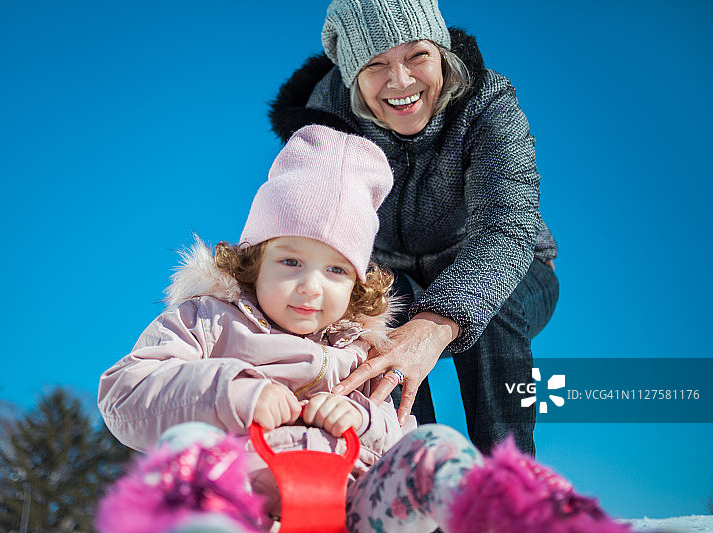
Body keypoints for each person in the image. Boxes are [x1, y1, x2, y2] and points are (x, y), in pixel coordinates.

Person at [97, 126, 627, 533]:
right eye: (289, 262)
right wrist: (233, 391)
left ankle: (511, 514)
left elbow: (392, 437)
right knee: (188, 446)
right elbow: (124, 393)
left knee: (432, 444)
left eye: (335, 271)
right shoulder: (209, 321)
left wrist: (358, 417)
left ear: (357, 285)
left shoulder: (365, 353)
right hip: (246, 498)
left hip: (351, 509)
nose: (310, 288)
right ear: (254, 260)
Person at [268, 0, 559, 456]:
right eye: (376, 64)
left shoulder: (487, 103)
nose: (401, 82)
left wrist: (439, 319)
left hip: (515, 266)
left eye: (417, 56)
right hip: (392, 277)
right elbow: (308, 235)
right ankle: (407, 470)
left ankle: (508, 484)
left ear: (440, 50)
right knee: (371, 319)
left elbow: (507, 225)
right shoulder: (325, 125)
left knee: (493, 308)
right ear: (351, 75)